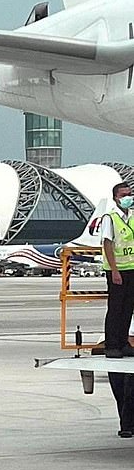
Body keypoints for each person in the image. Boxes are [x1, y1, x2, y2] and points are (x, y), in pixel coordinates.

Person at [101, 182, 134, 358]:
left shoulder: (133, 216)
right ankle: (111, 344)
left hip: (132, 268)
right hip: (118, 269)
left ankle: (123, 343)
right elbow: (107, 244)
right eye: (123, 195)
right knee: (116, 308)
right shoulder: (110, 217)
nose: (128, 197)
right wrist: (114, 270)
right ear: (115, 198)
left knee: (128, 308)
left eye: (129, 193)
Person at [108, 315, 134, 437]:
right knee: (124, 394)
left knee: (126, 394)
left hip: (122, 360)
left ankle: (127, 425)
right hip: (122, 361)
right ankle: (127, 425)